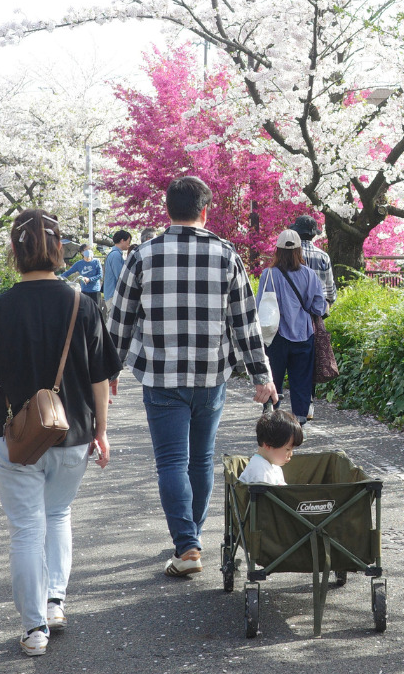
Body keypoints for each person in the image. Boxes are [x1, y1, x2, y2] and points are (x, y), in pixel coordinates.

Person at [0, 208, 120, 658]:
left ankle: (33, 630)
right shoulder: (82, 304)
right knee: (58, 514)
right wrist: (101, 430)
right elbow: (100, 380)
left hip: (14, 436)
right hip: (73, 434)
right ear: (58, 251)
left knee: (26, 529)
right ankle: (54, 603)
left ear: (14, 252)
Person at [107, 176, 276, 577]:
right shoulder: (225, 254)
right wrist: (261, 376)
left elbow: (120, 321)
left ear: (167, 211)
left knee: (171, 462)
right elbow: (245, 323)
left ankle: (187, 545)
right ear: (205, 211)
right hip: (210, 376)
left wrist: (108, 368)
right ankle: (191, 540)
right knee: (200, 460)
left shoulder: (143, 255)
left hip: (161, 377)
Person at [258, 230, 326, 425]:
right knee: (301, 380)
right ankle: (300, 421)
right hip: (304, 334)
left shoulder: (268, 274)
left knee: (274, 378)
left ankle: (271, 417)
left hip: (275, 336)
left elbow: (259, 305)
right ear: (299, 250)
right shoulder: (310, 275)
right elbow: (318, 306)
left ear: (277, 250)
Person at [288, 215, 335, 420]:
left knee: (292, 357)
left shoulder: (288, 255)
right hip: (314, 315)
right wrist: (324, 309)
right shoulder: (323, 256)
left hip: (289, 315)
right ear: (314, 235)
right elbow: (330, 292)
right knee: (312, 359)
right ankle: (308, 404)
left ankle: (286, 403)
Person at [238, 410, 304, 485]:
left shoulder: (273, 465)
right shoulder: (260, 471)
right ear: (268, 445)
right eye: (288, 449)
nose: (291, 454)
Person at [102, 230, 131, 306]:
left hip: (111, 294)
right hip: (113, 295)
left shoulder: (114, 254)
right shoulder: (116, 255)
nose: (129, 244)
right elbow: (120, 276)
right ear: (122, 241)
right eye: (128, 241)